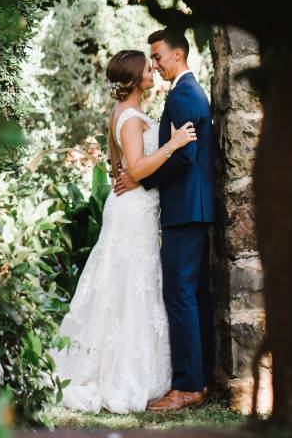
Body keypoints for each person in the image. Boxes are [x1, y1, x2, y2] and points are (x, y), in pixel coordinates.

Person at [50, 49, 197, 413]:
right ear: (134, 78)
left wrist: (134, 172)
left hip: (133, 207)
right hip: (133, 212)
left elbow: (124, 169)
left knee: (126, 284)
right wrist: (172, 145)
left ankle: (131, 366)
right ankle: (122, 373)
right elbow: (136, 167)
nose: (153, 71)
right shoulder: (130, 118)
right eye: (148, 68)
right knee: (130, 284)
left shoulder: (123, 113)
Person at [114, 28, 215, 413]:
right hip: (190, 209)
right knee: (194, 295)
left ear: (178, 54)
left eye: (157, 57)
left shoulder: (185, 94)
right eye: (151, 59)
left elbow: (184, 157)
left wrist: (141, 178)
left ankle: (187, 387)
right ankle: (200, 380)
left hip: (186, 210)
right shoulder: (184, 93)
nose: (154, 64)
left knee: (180, 294)